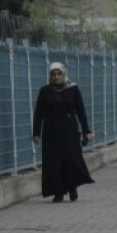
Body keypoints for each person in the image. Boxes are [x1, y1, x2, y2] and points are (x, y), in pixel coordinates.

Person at [32, 62, 94, 203]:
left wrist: (86, 131)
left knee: (71, 161)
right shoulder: (45, 91)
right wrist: (36, 133)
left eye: (59, 74)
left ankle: (72, 189)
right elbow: (39, 113)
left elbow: (80, 111)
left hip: (69, 131)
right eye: (53, 75)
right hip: (51, 132)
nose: (56, 77)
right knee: (53, 163)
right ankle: (58, 192)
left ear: (64, 74)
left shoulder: (72, 89)